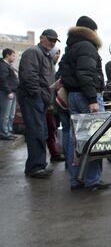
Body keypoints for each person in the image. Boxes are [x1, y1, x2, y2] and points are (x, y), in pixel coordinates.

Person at [61, 16, 111, 190]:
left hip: (74, 95)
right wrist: (92, 99)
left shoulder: (71, 47)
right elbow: (85, 73)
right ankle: (92, 180)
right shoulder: (86, 46)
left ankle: (76, 179)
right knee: (95, 137)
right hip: (86, 96)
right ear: (91, 31)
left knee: (76, 139)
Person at [17, 29, 59, 178]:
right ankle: (35, 167)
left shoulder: (44, 55)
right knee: (36, 131)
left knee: (41, 131)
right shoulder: (33, 52)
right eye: (50, 39)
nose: (52, 42)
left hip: (38, 98)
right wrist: (38, 95)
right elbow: (30, 76)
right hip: (32, 98)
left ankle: (38, 164)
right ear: (42, 38)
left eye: (54, 40)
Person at [45, 48, 64, 162]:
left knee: (53, 128)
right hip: (49, 103)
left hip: (55, 103)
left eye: (59, 53)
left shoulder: (54, 69)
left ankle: (54, 152)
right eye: (56, 53)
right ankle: (54, 152)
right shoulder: (48, 69)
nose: (57, 56)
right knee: (50, 129)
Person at [0, 48, 18, 140]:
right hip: (7, 93)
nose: (14, 57)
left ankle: (9, 131)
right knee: (5, 114)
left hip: (12, 92)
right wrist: (8, 91)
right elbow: (2, 79)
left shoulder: (8, 65)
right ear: (7, 55)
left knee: (11, 114)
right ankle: (4, 132)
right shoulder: (3, 65)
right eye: (13, 55)